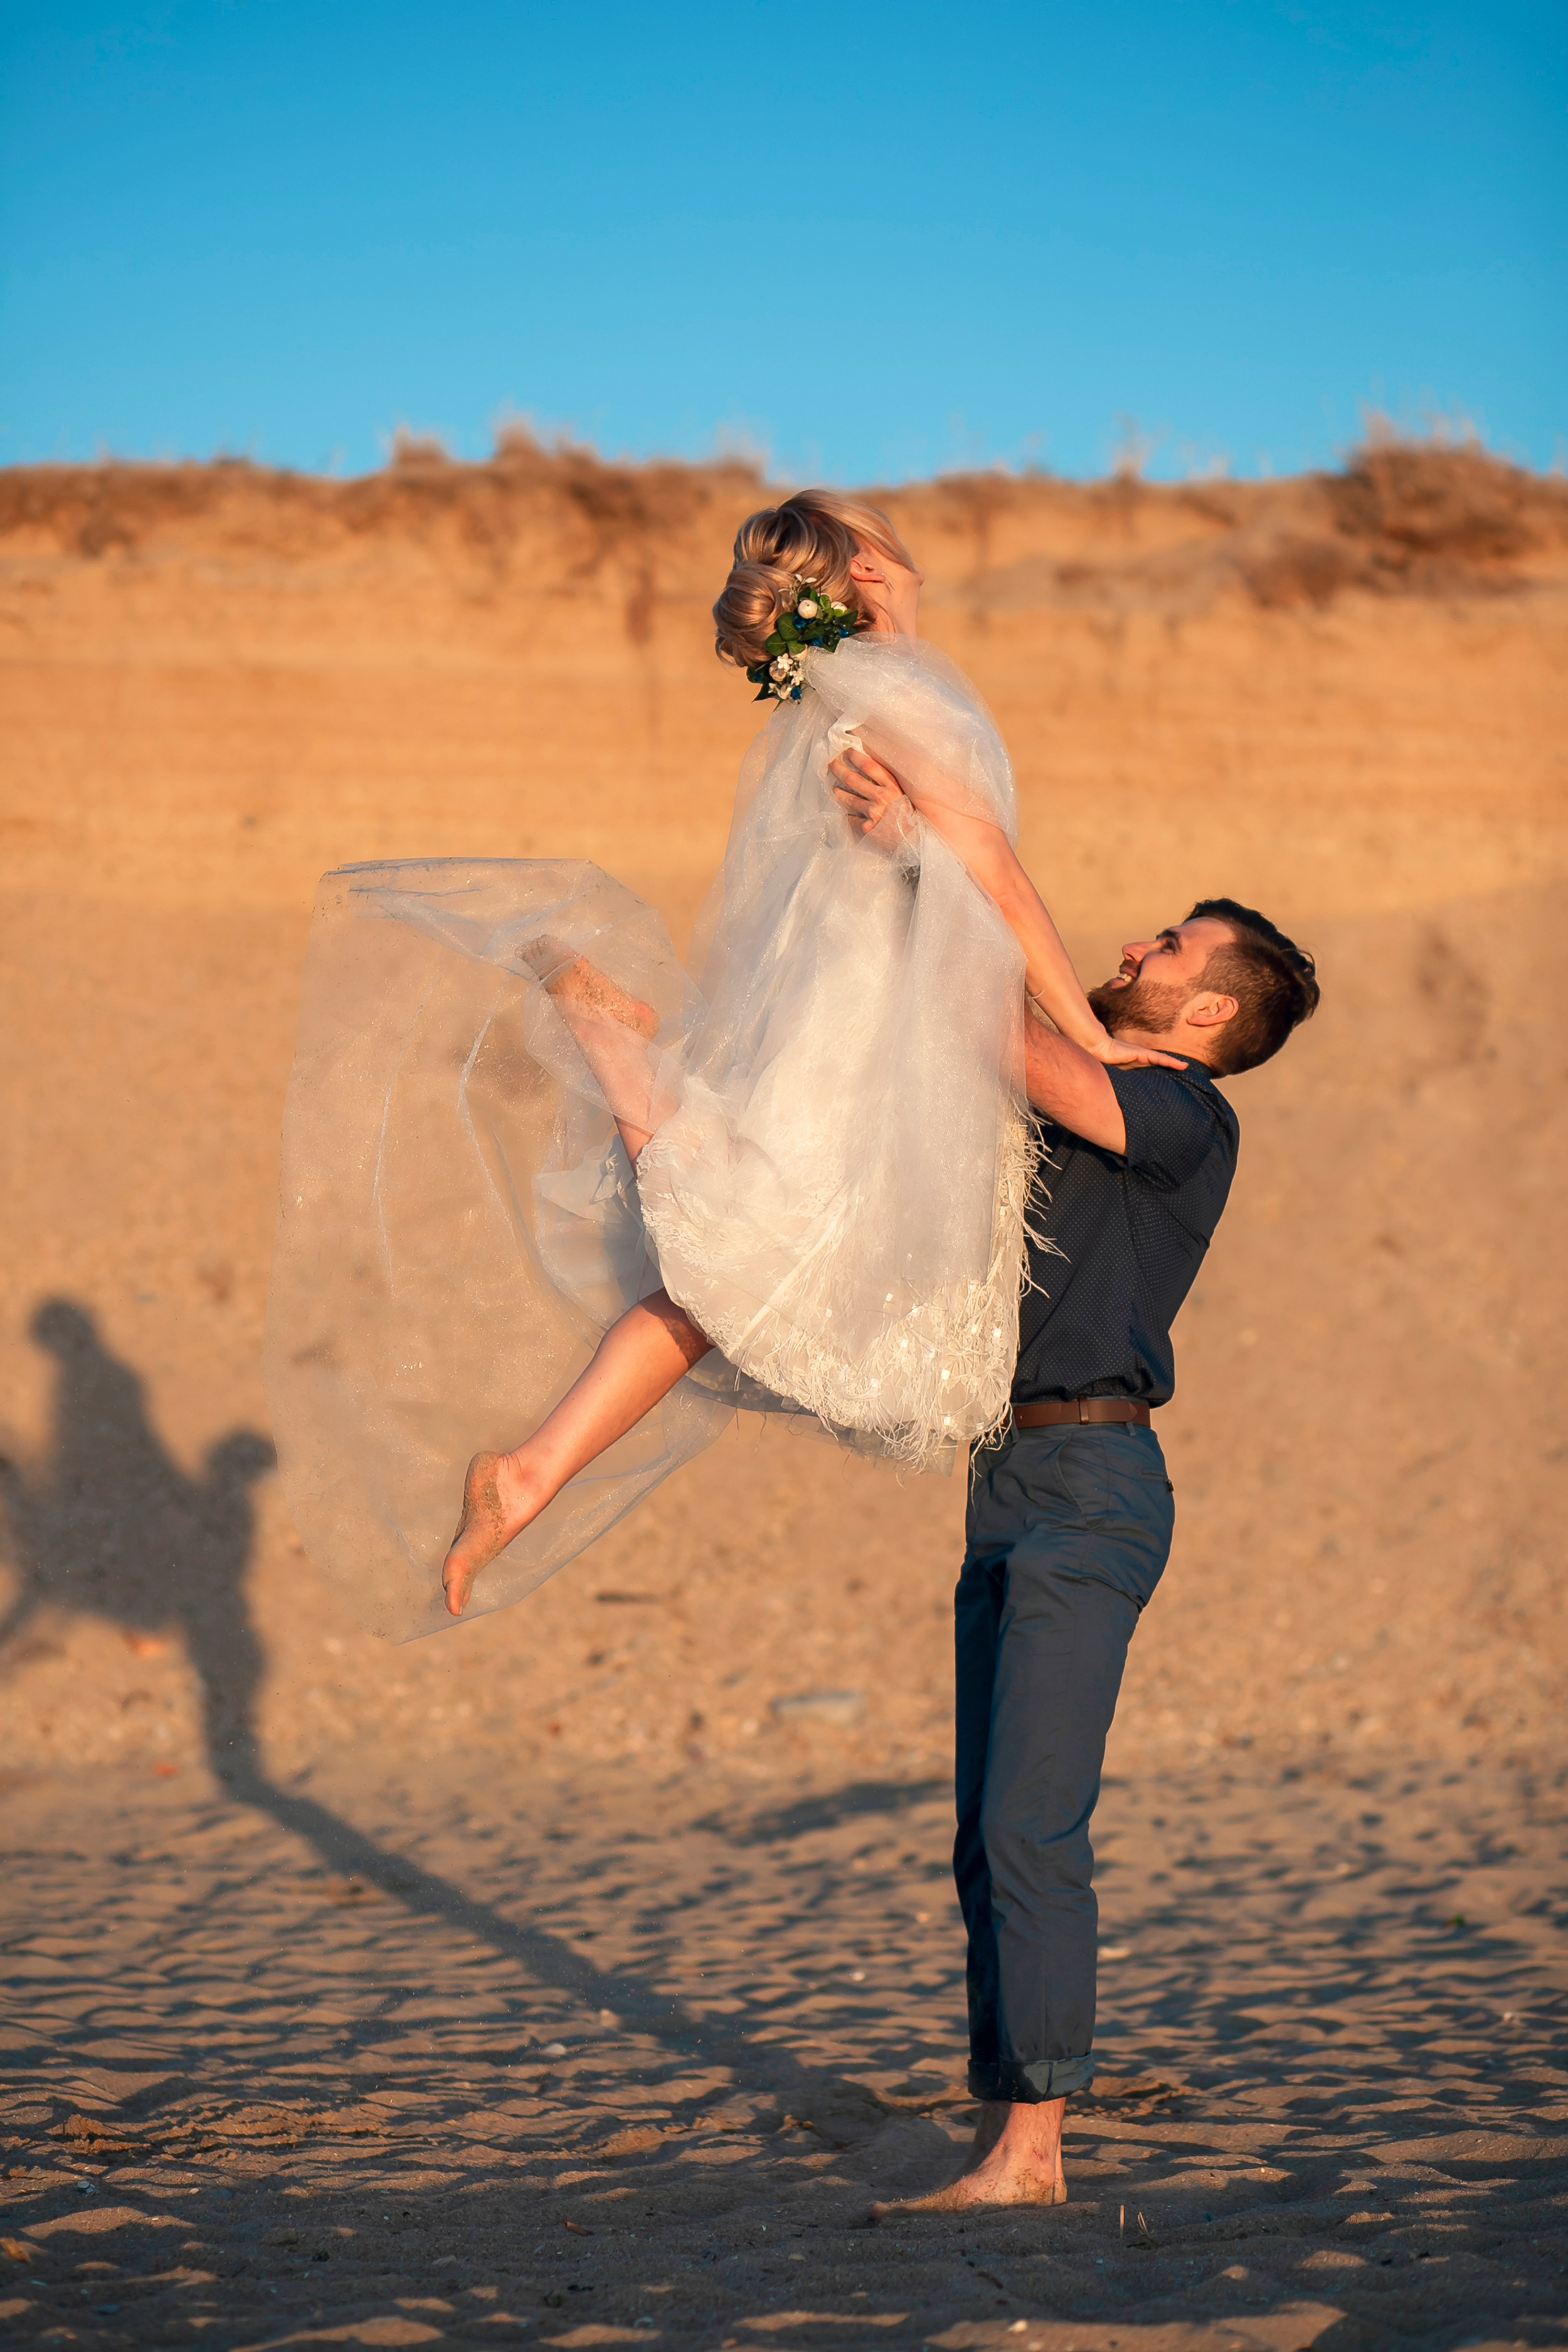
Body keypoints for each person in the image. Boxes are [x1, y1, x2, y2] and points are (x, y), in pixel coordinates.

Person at [433, 493, 1180, 1619]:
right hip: (879, 1024)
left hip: (830, 997)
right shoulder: (908, 687)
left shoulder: (826, 696)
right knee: (749, 1254)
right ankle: (620, 1059)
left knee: (728, 1265)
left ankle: (531, 1472)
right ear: (872, 559)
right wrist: (1090, 1037)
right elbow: (997, 876)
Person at [829, 780, 1319, 2213]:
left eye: (1170, 945)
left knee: (1029, 1826)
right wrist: (913, 872)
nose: (1141, 943)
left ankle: (1029, 2156)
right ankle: (1011, 2126)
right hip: (1009, 1477)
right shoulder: (1118, 1091)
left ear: (1211, 1017)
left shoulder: (1180, 1119)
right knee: (985, 1830)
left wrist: (938, 867)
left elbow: (999, 1027)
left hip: (1094, 1485)